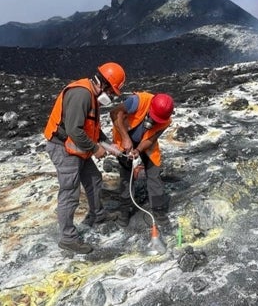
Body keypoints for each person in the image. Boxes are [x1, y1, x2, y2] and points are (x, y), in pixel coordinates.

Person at [44, 62, 126, 254]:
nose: (112, 96)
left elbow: (92, 128)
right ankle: (67, 238)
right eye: (112, 91)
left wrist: (108, 144)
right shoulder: (81, 94)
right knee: (70, 193)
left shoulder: (91, 95)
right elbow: (74, 130)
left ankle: (98, 214)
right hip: (63, 148)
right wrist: (96, 148)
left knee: (94, 180)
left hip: (77, 148)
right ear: (104, 84)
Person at [110, 92, 174, 229]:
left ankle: (159, 212)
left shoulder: (166, 120)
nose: (154, 122)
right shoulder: (138, 101)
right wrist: (125, 138)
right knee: (126, 176)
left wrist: (138, 150)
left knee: (154, 175)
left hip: (146, 144)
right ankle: (124, 213)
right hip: (124, 138)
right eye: (153, 117)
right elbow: (115, 113)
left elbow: (151, 139)